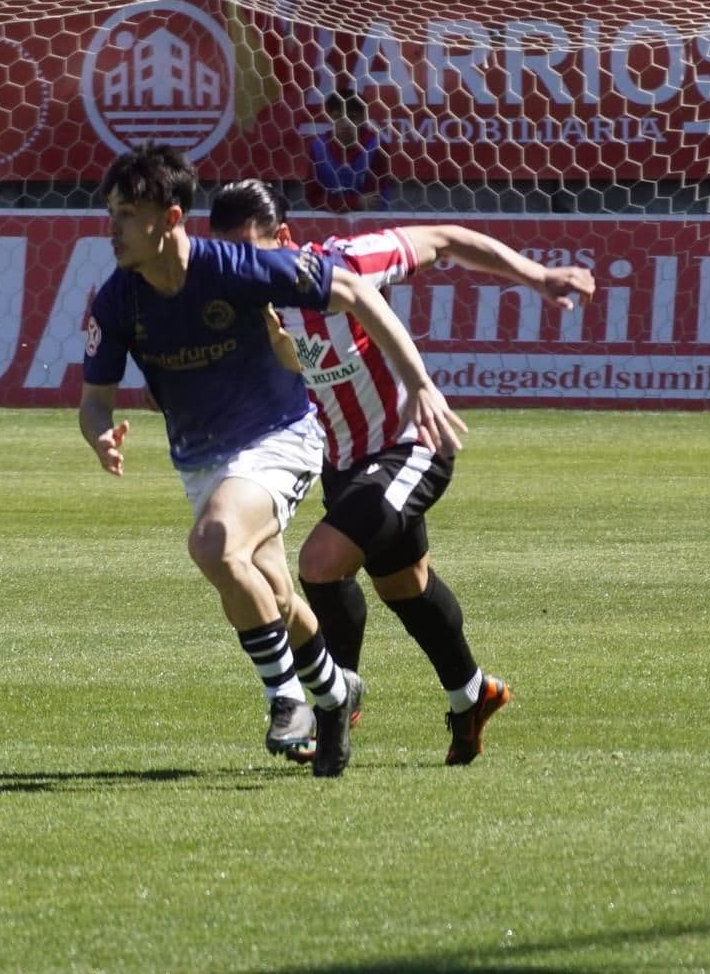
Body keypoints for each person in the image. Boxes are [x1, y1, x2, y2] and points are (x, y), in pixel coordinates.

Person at [79, 144, 466, 777]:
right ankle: (337, 693)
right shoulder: (118, 301)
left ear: (171, 218)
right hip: (203, 462)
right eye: (110, 212)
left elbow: (352, 289)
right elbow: (93, 402)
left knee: (214, 544)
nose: (112, 228)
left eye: (127, 213)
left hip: (280, 440)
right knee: (275, 593)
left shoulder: (234, 268)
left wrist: (419, 383)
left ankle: (287, 698)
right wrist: (99, 434)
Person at [209, 179, 595, 765]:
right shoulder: (237, 306)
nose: (239, 270)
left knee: (319, 562)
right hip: (342, 463)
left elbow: (444, 238)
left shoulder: (343, 264)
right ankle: (473, 694)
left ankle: (334, 703)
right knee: (404, 585)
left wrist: (537, 277)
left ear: (283, 239)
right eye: (227, 256)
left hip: (410, 447)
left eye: (248, 252)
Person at [304, 89, 389, 215]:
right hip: (329, 220)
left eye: (352, 117)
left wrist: (338, 203)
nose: (345, 124)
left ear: (363, 119)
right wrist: (355, 203)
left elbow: (373, 201)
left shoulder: (377, 146)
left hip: (370, 221)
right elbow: (314, 198)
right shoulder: (318, 147)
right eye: (338, 116)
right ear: (329, 118)